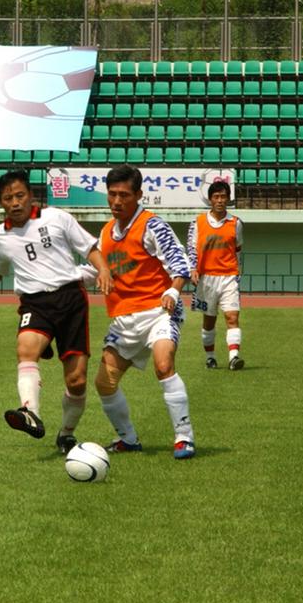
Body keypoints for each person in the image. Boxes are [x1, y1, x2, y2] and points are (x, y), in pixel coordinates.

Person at [0, 170, 112, 454]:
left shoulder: (57, 217)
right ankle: (30, 412)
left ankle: (66, 433)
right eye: (8, 198)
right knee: (25, 349)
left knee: (77, 381)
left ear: (31, 195)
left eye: (19, 195)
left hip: (70, 299)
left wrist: (104, 269)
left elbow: (89, 247)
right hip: (34, 303)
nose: (15, 203)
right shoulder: (1, 235)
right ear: (1, 202)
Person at [93, 164, 197, 459]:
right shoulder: (106, 232)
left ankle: (184, 438)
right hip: (124, 319)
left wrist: (173, 290)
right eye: (112, 194)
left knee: (163, 365)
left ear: (139, 195)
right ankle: (128, 439)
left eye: (124, 195)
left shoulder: (152, 225)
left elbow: (179, 261)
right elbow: (99, 271)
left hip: (158, 311)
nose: (116, 201)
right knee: (104, 382)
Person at [186, 180, 245, 370]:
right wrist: (193, 269)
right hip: (207, 278)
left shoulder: (236, 223)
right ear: (210, 199)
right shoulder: (198, 222)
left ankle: (233, 357)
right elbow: (191, 249)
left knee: (232, 317)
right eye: (216, 197)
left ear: (228, 199)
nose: (220, 200)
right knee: (209, 320)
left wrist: (238, 272)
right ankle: (210, 357)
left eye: (223, 197)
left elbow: (238, 250)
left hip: (229, 276)